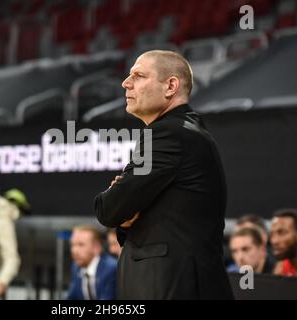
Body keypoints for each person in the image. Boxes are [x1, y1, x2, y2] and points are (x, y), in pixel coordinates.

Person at [94, 50, 233, 299]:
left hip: (174, 288)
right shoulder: (183, 131)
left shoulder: (168, 134)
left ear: (170, 86)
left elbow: (108, 209)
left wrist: (120, 207)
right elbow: (128, 218)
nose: (126, 83)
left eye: (138, 75)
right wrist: (125, 215)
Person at [66, 226, 117, 300]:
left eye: (81, 244)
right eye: (72, 245)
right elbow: (71, 297)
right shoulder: (76, 267)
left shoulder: (111, 268)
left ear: (96, 247)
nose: (74, 251)